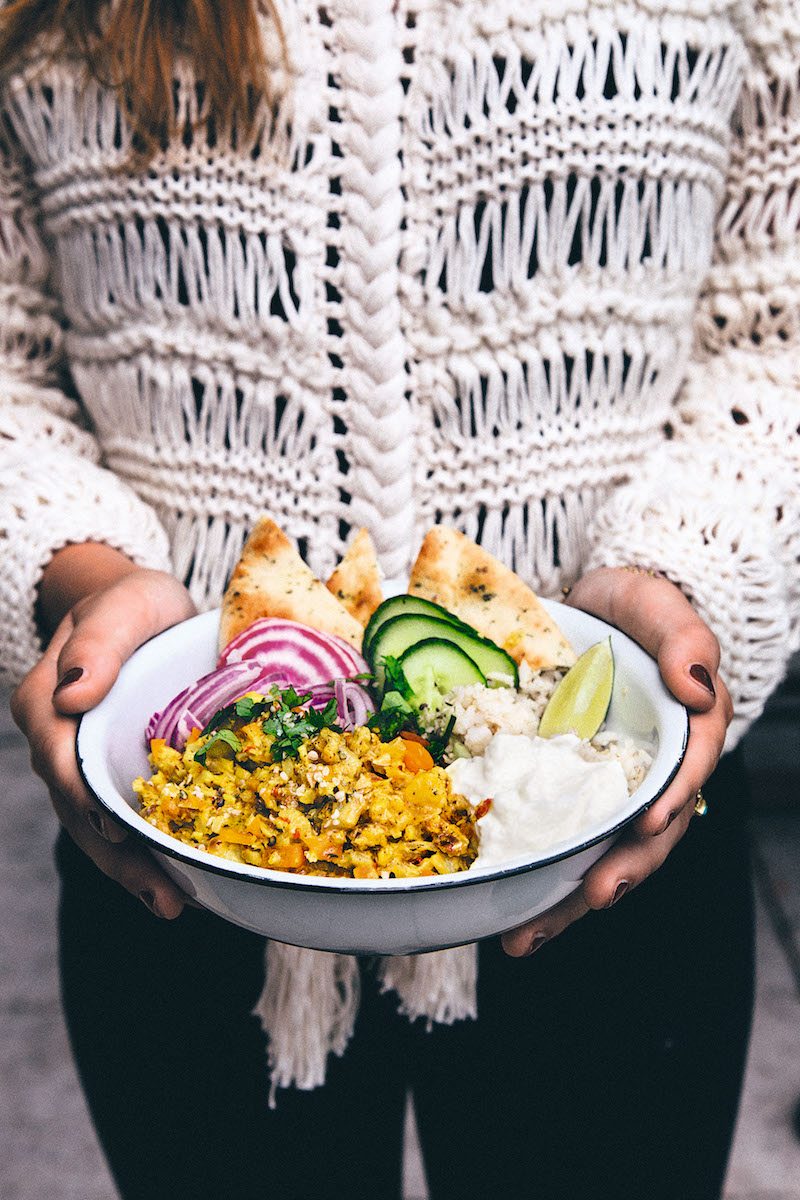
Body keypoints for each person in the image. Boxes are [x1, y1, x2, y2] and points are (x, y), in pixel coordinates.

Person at [2, 1, 798, 1197]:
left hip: (606, 801)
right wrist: (91, 574)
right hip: (182, 824)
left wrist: (687, 566)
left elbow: (773, 331)